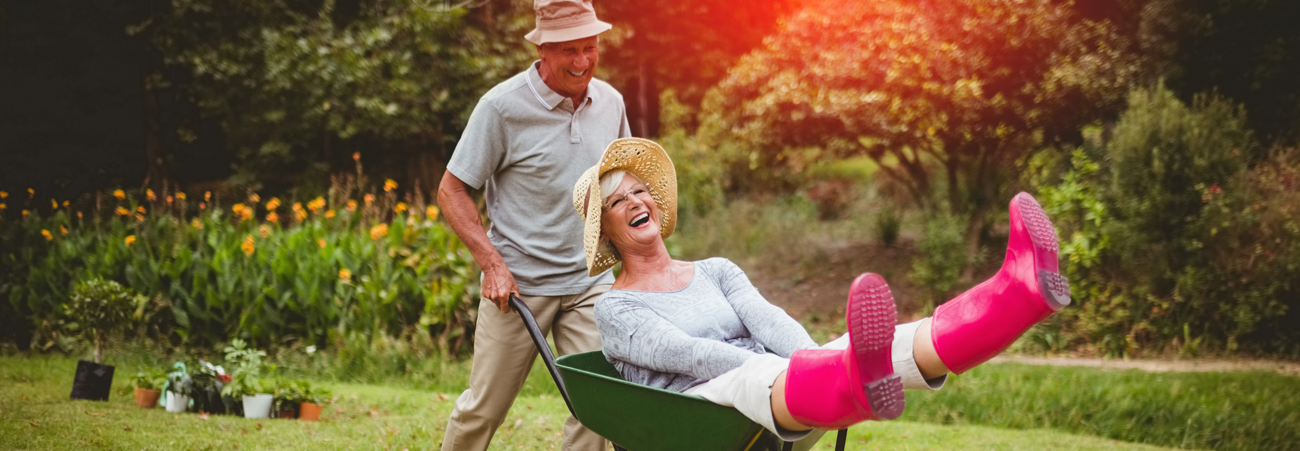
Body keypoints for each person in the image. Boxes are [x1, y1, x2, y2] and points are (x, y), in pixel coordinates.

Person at [570, 137, 1072, 441]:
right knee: (769, 373)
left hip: (782, 385)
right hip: (701, 407)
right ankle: (840, 380)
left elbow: (767, 319)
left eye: (641, 190)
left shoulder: (716, 268)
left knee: (889, 341)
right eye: (619, 201)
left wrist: (813, 357)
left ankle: (1017, 293)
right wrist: (793, 370)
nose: (638, 201)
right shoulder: (617, 306)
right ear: (607, 232)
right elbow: (691, 355)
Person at [435, 0, 629, 449]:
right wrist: (492, 265)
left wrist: (631, 261)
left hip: (589, 282)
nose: (582, 62)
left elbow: (620, 185)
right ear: (542, 48)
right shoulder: (502, 108)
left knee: (599, 407)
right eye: (569, 51)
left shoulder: (612, 103)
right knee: (484, 408)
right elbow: (452, 190)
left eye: (590, 47)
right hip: (520, 287)